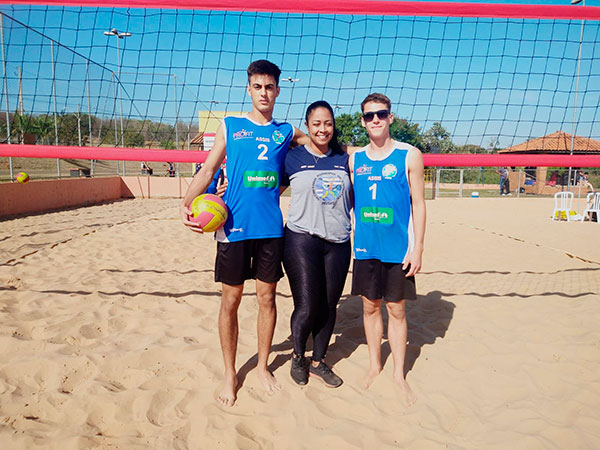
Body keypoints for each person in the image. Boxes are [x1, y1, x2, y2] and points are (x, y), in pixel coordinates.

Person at [179, 60, 308, 407]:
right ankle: (230, 373)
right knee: (230, 302)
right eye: (258, 86)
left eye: (270, 87)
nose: (264, 93)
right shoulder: (230, 126)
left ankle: (263, 366)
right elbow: (208, 168)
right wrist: (187, 200)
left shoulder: (287, 131)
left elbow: (317, 148)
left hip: (270, 229)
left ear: (278, 91)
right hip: (232, 226)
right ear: (248, 89)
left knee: (266, 299)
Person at [349, 93, 425, 406]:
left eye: (381, 114)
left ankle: (398, 374)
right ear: (363, 121)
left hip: (398, 248)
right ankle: (374, 365)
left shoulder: (409, 155)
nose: (375, 120)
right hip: (366, 248)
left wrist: (418, 247)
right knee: (369, 307)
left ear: (390, 117)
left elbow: (419, 204)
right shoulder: (355, 159)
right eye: (369, 116)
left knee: (396, 309)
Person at [282, 101, 352, 388]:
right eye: (316, 124)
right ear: (307, 126)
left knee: (329, 305)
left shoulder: (345, 157)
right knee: (308, 306)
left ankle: (319, 361)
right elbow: (266, 186)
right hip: (301, 238)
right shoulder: (292, 157)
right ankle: (298, 356)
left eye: (328, 123)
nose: (323, 129)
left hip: (338, 241)